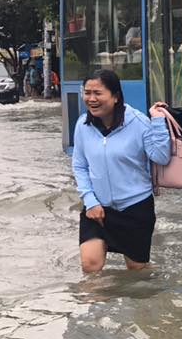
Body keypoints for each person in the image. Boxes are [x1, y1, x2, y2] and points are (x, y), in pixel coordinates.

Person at [72, 69, 171, 273]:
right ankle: (95, 304)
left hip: (135, 207)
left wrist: (158, 121)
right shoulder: (82, 125)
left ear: (115, 96)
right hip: (97, 208)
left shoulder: (138, 122)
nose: (91, 99)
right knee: (90, 266)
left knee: (137, 271)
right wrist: (90, 201)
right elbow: (80, 165)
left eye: (98, 93)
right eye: (87, 93)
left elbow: (161, 156)